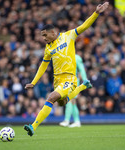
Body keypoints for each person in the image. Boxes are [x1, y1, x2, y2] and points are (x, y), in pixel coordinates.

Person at [24, 2, 109, 136]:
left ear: (53, 32)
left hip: (69, 78)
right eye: (42, 36)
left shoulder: (68, 36)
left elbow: (84, 26)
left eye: (45, 35)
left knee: (51, 98)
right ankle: (83, 86)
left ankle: (33, 126)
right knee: (62, 102)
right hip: (57, 80)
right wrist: (33, 82)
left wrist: (96, 13)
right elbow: (43, 66)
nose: (43, 38)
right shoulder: (48, 48)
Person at [59, 54, 87, 128]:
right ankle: (77, 121)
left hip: (73, 81)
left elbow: (81, 69)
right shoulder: (63, 57)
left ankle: (66, 120)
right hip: (66, 82)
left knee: (69, 100)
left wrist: (85, 80)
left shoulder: (76, 57)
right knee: (73, 102)